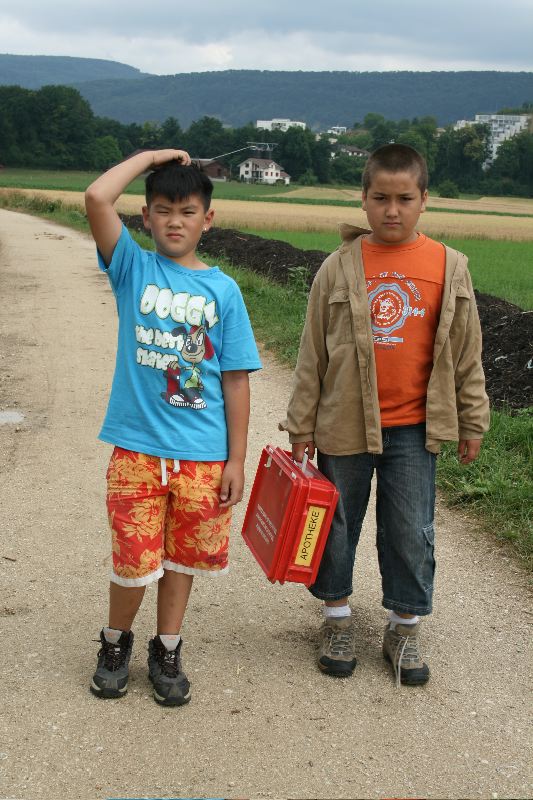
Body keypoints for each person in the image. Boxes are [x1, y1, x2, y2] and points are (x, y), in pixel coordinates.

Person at [281, 144, 489, 686]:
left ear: (424, 200)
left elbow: (466, 353)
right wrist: (301, 425)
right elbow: (312, 354)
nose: (391, 210)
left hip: (415, 429)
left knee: (410, 529)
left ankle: (404, 626)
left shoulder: (449, 266)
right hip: (343, 424)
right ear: (364, 198)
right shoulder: (338, 266)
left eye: (404, 199)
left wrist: (472, 419)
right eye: (380, 198)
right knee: (334, 524)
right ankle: (336, 618)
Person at [85, 149, 261, 706]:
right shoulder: (132, 268)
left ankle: (167, 648)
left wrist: (236, 460)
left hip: (203, 457)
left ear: (208, 219)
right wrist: (153, 158)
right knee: (132, 559)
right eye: (163, 210)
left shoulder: (224, 292)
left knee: (183, 560)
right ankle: (115, 643)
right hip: (136, 452)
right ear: (146, 217)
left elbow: (235, 379)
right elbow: (96, 197)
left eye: (187, 211)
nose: (175, 222)